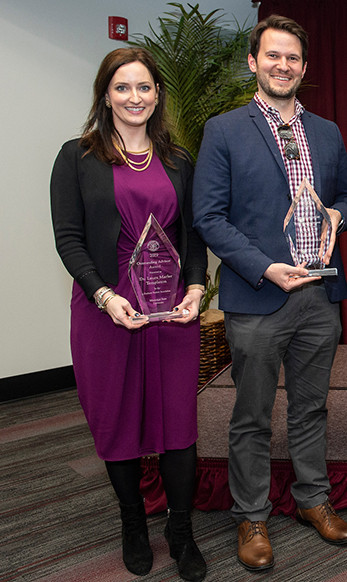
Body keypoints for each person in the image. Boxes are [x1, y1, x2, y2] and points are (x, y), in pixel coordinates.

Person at [193, 15, 347, 572]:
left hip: (319, 293)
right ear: (253, 62)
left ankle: (313, 500)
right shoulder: (225, 129)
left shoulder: (329, 132)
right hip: (259, 295)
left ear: (303, 68)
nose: (282, 66)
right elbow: (208, 216)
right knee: (252, 414)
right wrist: (264, 267)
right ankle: (252, 514)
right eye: (272, 56)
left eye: (292, 59)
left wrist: (337, 213)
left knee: (312, 407)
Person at [50, 48, 208, 581]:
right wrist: (104, 296)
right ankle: (133, 522)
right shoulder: (77, 157)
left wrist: (195, 288)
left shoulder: (180, 160)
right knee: (117, 423)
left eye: (144, 88)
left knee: (178, 426)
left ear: (157, 95)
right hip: (105, 311)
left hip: (171, 315)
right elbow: (69, 240)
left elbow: (193, 237)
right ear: (105, 95)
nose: (134, 97)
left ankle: (181, 531)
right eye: (122, 88)